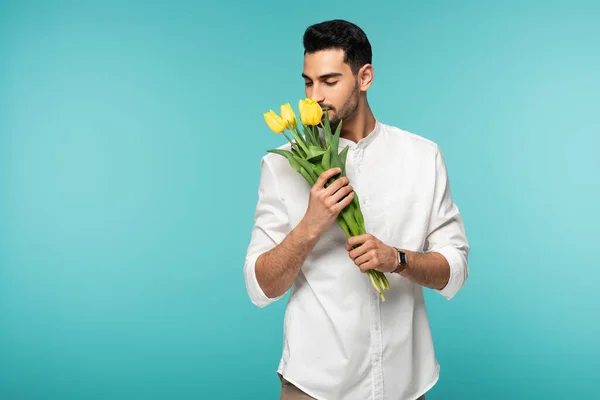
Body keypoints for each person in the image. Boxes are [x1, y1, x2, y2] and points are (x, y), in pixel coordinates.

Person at [243, 19, 470, 400]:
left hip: (405, 384)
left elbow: (456, 272)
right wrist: (310, 226)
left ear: (364, 77)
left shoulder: (422, 156)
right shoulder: (282, 164)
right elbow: (260, 288)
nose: (314, 96)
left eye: (329, 81)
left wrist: (396, 259)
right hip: (314, 386)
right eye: (308, 82)